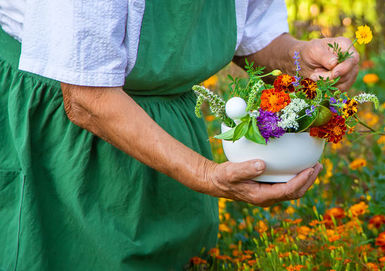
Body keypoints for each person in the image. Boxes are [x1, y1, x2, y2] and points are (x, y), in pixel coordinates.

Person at [0, 0, 359, 269]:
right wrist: (205, 174)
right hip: (59, 131)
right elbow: (86, 97)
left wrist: (300, 56)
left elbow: (252, 34)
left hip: (170, 131)